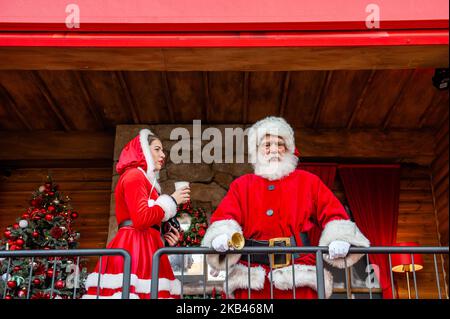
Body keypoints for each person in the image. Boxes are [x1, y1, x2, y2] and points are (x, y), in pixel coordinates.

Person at [201, 116, 370, 299]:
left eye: (280, 144)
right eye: (267, 144)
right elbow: (226, 215)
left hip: (299, 274)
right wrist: (222, 235)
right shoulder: (242, 185)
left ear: (289, 149)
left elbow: (332, 211)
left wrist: (339, 237)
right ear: (257, 151)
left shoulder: (308, 181)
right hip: (252, 275)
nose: (274, 149)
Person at [82, 129, 190, 299]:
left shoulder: (146, 181)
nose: (163, 155)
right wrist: (172, 201)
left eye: (163, 150)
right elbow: (141, 219)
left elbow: (149, 221)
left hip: (146, 246)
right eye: (157, 149)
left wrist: (164, 239)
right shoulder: (134, 176)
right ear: (143, 151)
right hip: (134, 247)